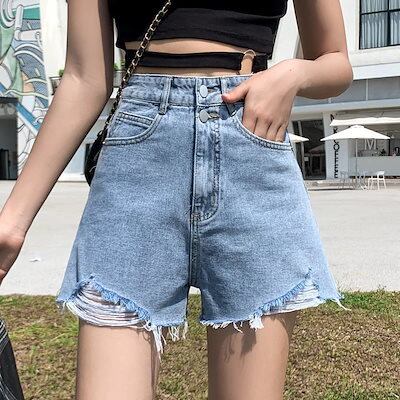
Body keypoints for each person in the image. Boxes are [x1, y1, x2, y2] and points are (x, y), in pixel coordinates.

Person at [0, 1, 353, 399]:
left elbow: (335, 61)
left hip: (250, 145)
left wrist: (292, 73)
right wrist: (12, 222)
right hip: (138, 161)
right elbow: (85, 78)